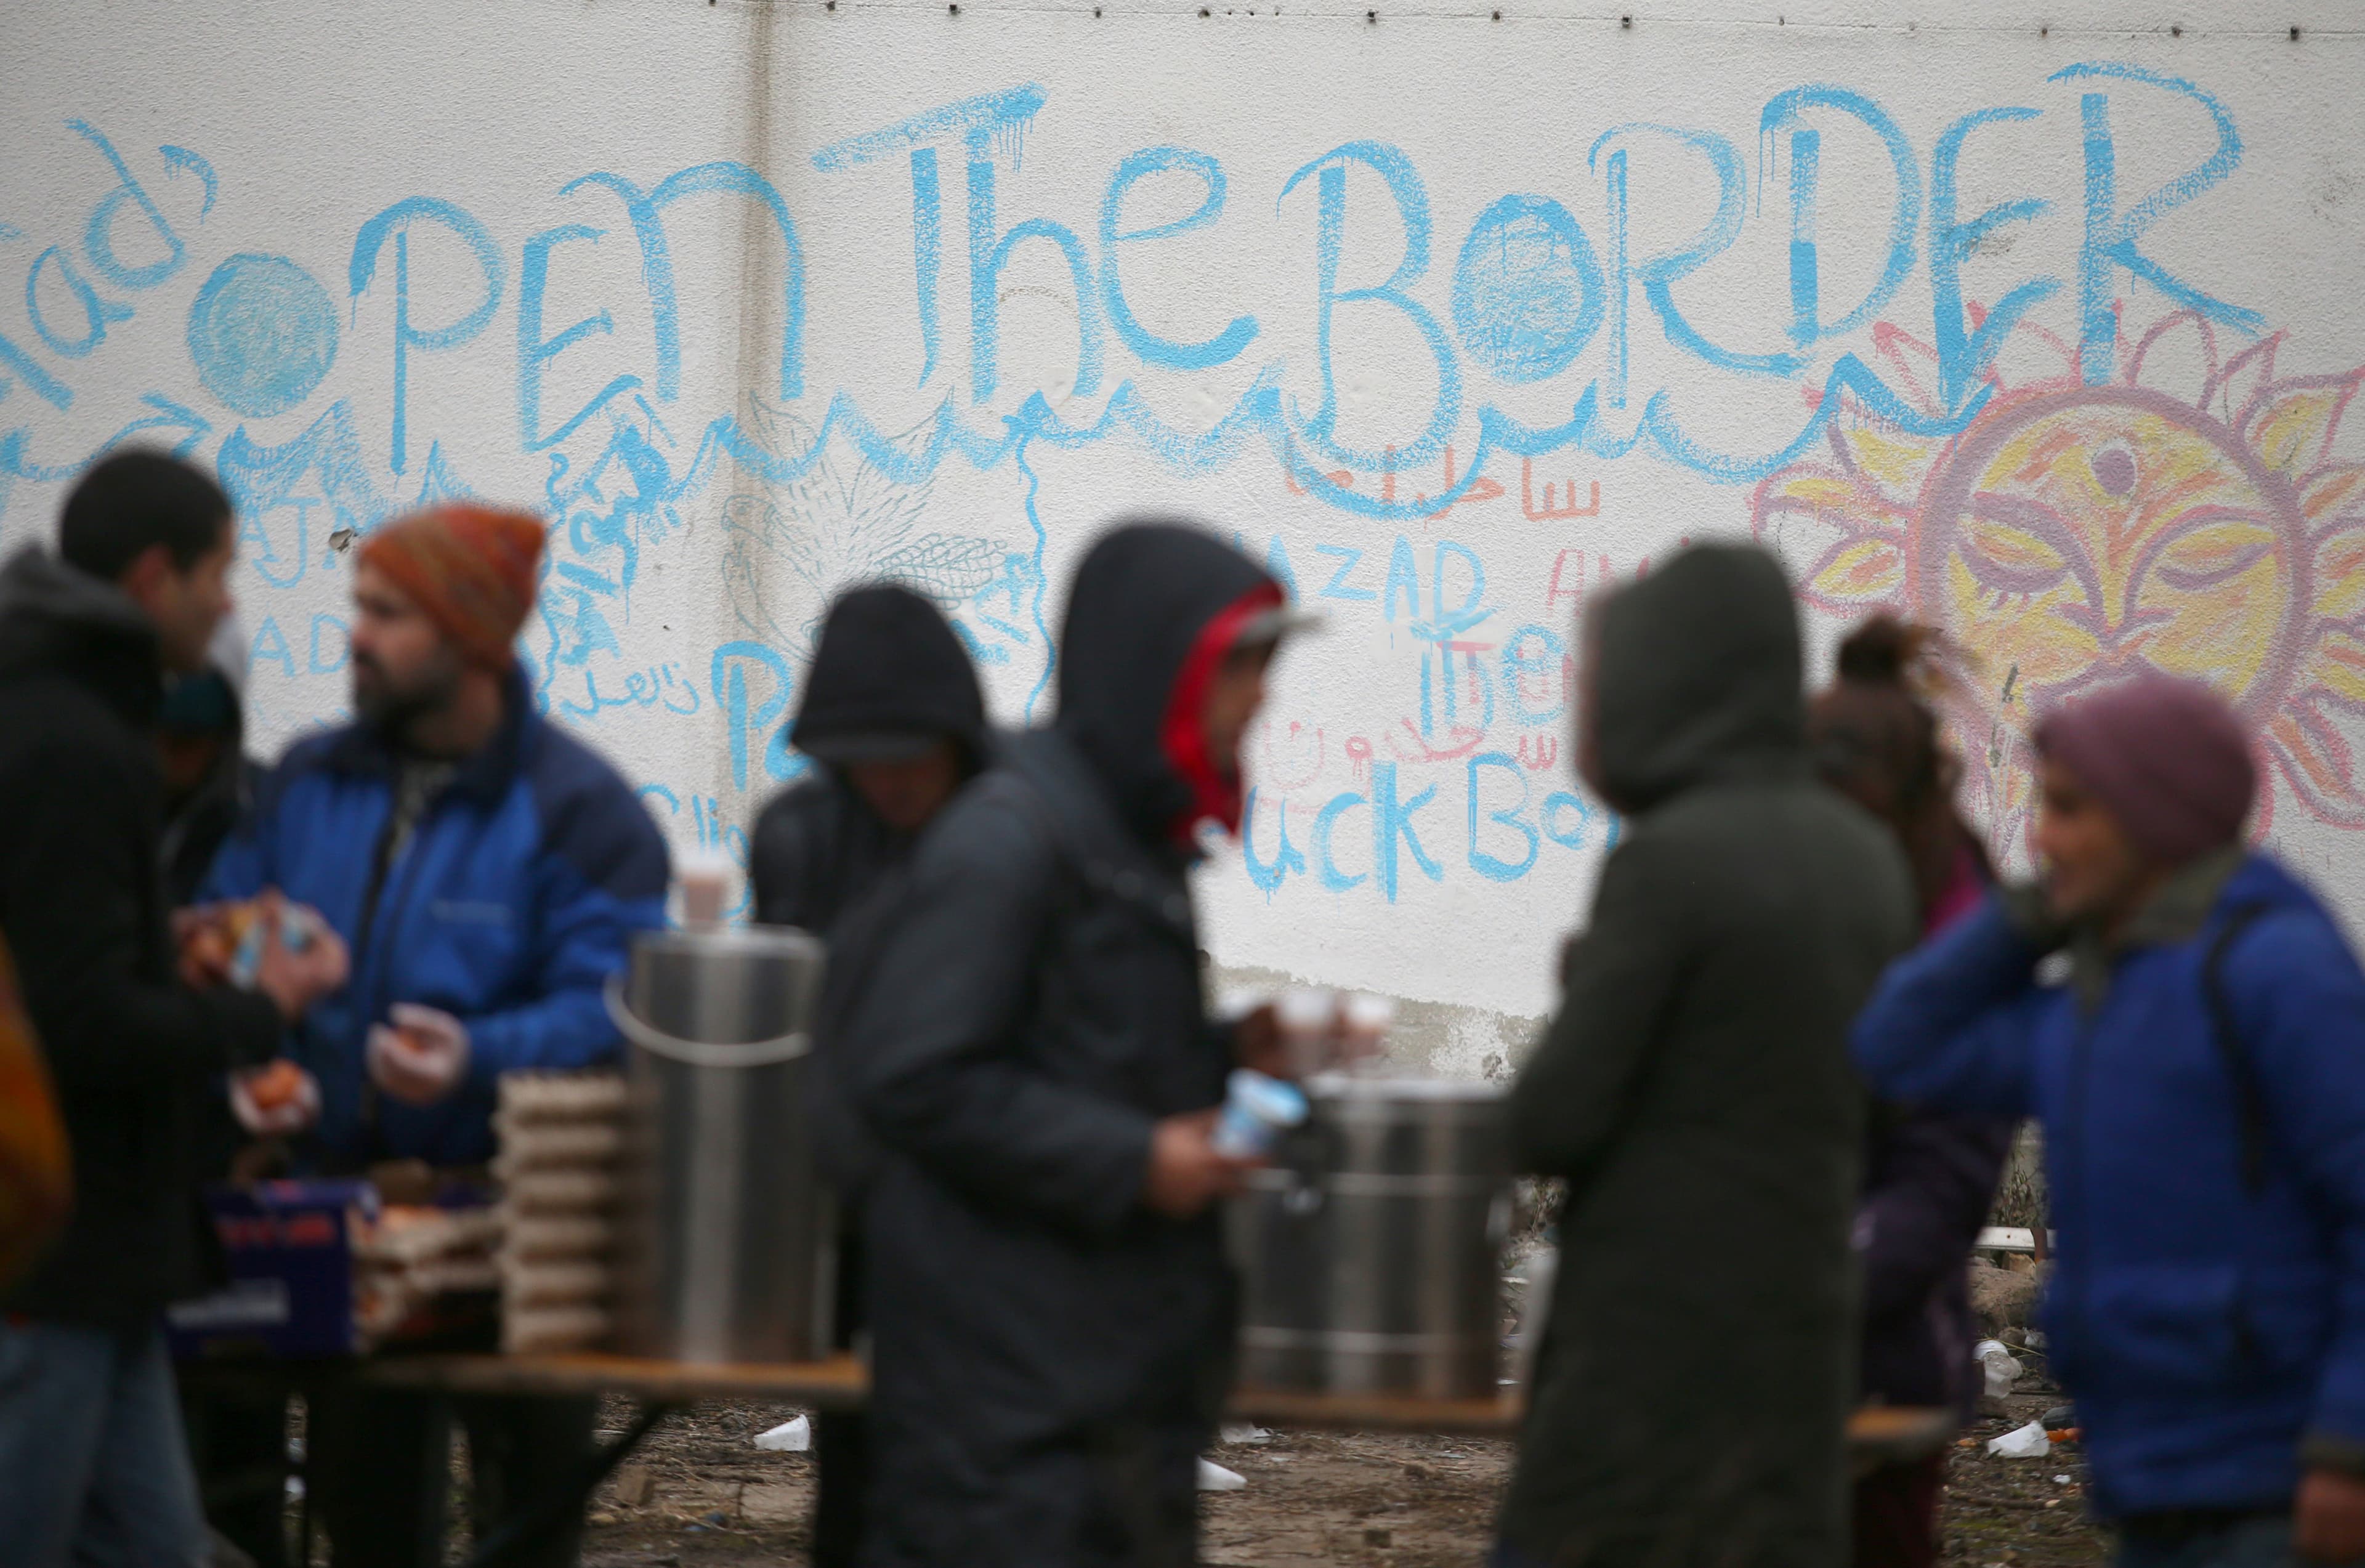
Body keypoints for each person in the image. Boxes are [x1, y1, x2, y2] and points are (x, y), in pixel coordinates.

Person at [203, 501, 670, 1568]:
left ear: (472, 637)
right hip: (348, 1230)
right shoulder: (309, 781)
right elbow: (228, 928)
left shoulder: (579, 808)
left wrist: (477, 1056)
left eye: (387, 612)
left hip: (525, 1238)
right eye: (358, 606)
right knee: (368, 1525)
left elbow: (619, 1007)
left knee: (528, 1526)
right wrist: (261, 1029)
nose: (355, 634)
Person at [832, 520, 1300, 1568]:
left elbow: (1083, 1055)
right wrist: (1137, 1162)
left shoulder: (1123, 833)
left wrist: (1229, 1055)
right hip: (1004, 1435)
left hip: (1105, 1402)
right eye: (1238, 668)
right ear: (1155, 668)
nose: (1260, 698)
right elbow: (914, 1074)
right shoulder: (1012, 833)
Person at [1853, 672, 2365, 1568]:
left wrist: (2349, 1448)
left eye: (2069, 809)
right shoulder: (2093, 1000)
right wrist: (2025, 917)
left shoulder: (2279, 970)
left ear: (2155, 818)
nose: (2042, 838)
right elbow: (1895, 1047)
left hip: (2276, 1480)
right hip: (2150, 1481)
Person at [1494, 543, 1918, 1568]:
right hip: (1798, 1354)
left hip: (1649, 1378)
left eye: (1595, 688)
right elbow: (1887, 1102)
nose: (1579, 722)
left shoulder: (1673, 858)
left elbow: (1554, 1117)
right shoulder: (1864, 857)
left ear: (1667, 688)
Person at [0, 450, 349, 1568]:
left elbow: (56, 957)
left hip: (103, 1264)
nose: (231, 603)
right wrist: (260, 1007)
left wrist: (169, 946)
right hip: (54, 1260)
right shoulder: (74, 745)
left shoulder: (56, 713)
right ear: (157, 579)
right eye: (222, 573)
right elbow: (81, 1023)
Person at [750, 582, 991, 1568]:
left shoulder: (1005, 827)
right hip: (849, 1202)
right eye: (865, 759)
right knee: (854, 1467)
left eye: (912, 753)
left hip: (978, 1200)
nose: (889, 779)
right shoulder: (799, 834)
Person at [1808, 617, 2016, 1568]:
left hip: (1882, 1361)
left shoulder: (1961, 929)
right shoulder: (1819, 892)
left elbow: (1943, 1181)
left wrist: (1803, 1290)